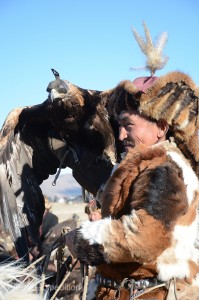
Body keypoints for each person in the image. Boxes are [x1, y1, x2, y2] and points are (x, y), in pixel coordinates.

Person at [62, 24, 199, 299]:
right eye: (119, 125)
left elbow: (145, 239)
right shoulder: (148, 162)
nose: (121, 134)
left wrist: (84, 238)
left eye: (129, 125)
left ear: (161, 126)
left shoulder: (161, 167)